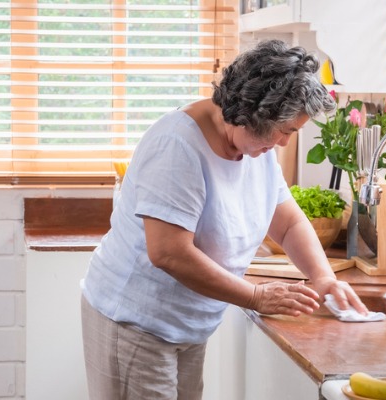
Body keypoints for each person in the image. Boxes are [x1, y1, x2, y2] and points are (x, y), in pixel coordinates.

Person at [80, 39, 368, 400]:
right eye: (286, 131)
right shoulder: (178, 145)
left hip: (188, 324)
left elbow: (288, 222)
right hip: (136, 321)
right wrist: (256, 296)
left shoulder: (256, 146)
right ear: (253, 112)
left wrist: (324, 278)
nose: (283, 144)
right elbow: (168, 252)